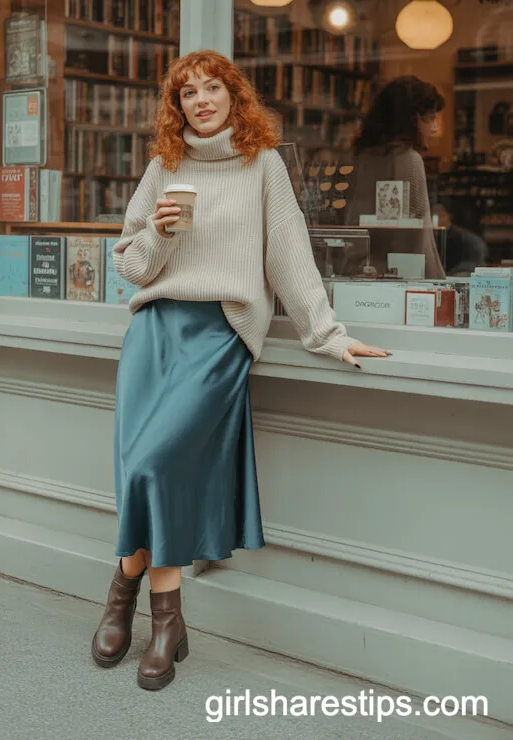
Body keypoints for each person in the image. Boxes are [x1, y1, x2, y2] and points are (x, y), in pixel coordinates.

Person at [91, 50, 389, 691]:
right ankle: (155, 616)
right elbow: (132, 267)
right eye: (187, 93)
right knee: (142, 468)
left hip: (218, 334)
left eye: (211, 89)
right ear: (177, 108)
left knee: (153, 465)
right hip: (153, 333)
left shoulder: (263, 166)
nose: (200, 101)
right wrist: (161, 234)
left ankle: (129, 591)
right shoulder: (162, 166)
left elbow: (289, 257)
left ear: (233, 95)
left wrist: (328, 335)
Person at [345, 76, 446, 279]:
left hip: (361, 276)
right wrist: (438, 285)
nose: (435, 128)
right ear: (414, 119)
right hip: (403, 280)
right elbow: (417, 240)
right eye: (431, 117)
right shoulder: (409, 160)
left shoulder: (362, 159)